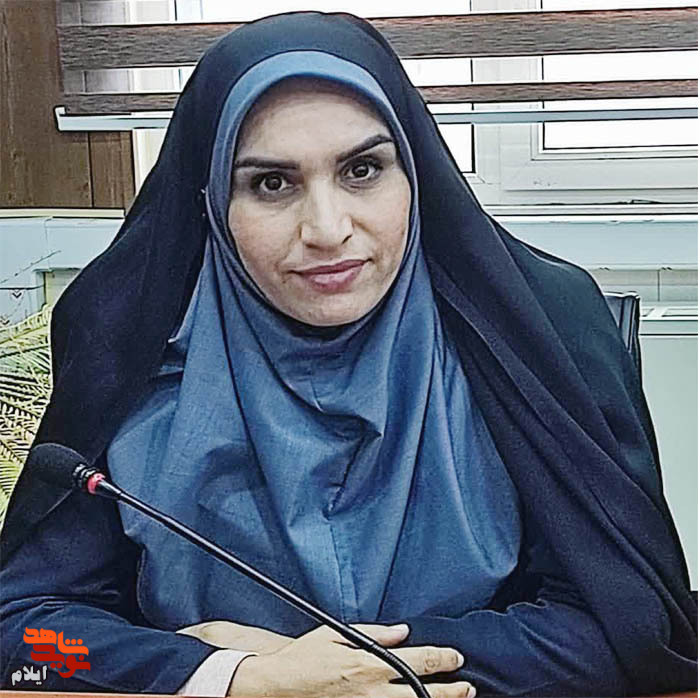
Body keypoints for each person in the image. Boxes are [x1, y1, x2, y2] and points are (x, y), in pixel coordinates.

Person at [0, 11, 696, 698]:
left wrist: (346, 671)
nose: (328, 229)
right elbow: (24, 641)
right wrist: (233, 677)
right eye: (272, 184)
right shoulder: (130, 349)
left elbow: (629, 626)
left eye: (363, 169)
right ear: (211, 202)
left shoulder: (539, 329)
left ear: (415, 174)